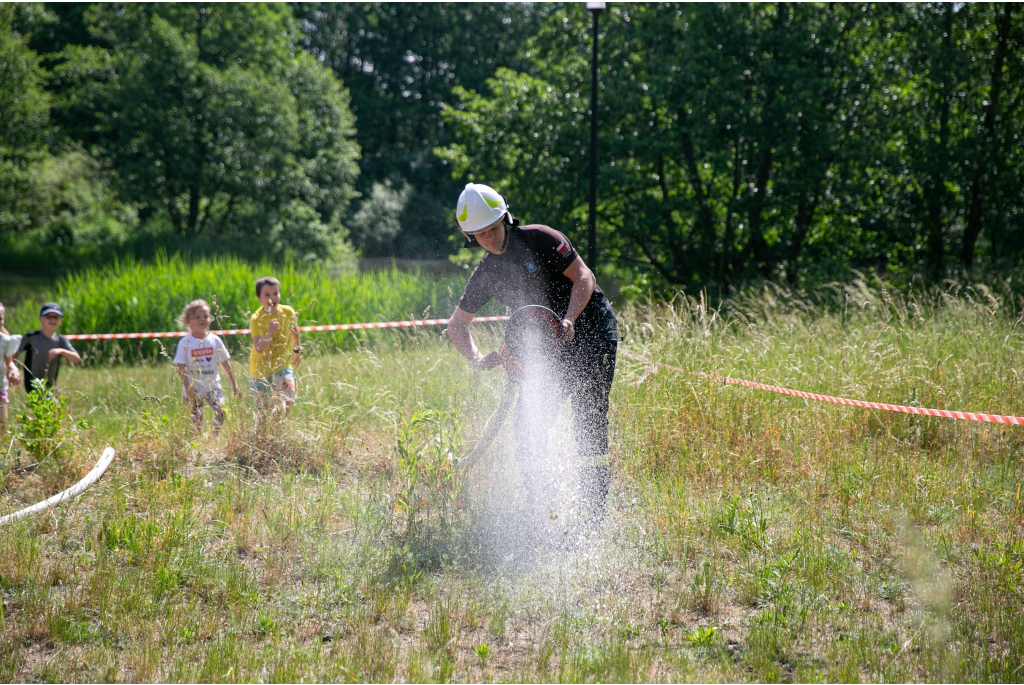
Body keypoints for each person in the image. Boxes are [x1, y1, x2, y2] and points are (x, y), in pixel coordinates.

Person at [446, 183, 619, 525]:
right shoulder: (486, 273)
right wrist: (480, 359)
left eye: (493, 229)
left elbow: (583, 276)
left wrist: (569, 319)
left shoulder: (541, 238)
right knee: (528, 428)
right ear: (470, 238)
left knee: (589, 421)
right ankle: (543, 513)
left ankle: (593, 515)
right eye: (480, 235)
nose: (490, 239)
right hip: (549, 350)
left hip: (592, 331)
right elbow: (457, 325)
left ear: (505, 219)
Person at [173, 300, 241, 434]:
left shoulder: (215, 340)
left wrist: (234, 384)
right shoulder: (185, 343)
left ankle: (214, 437)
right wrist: (188, 388)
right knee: (197, 422)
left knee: (223, 409)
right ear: (188, 321)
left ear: (210, 319)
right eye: (197, 317)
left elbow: (226, 364)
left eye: (206, 316)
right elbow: (180, 367)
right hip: (193, 389)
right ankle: (198, 446)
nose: (202, 319)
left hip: (212, 387)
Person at [249, 276, 301, 412]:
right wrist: (270, 333)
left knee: (289, 399)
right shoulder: (256, 318)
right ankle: (266, 431)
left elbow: (294, 332)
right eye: (267, 295)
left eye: (275, 293)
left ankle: (278, 427)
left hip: (283, 365)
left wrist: (297, 352)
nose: (272, 297)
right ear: (259, 298)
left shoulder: (288, 312)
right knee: (263, 414)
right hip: (260, 371)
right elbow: (259, 347)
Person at [15, 303, 81, 394]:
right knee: (52, 405)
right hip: (33, 384)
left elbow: (76, 359)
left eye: (56, 317)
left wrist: (61, 351)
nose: (53, 320)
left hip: (51, 386)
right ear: (41, 319)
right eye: (48, 316)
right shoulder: (31, 337)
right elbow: (14, 353)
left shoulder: (60, 340)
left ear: (61, 321)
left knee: (51, 406)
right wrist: (13, 368)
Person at [0, 303, 23, 431]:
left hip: (0, 387)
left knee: (3, 425)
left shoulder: (5, 340)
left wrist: (13, 369)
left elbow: (8, 362)